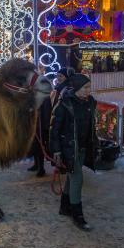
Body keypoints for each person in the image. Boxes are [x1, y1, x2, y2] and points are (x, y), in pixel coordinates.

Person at [50, 74, 98, 231]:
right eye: (85, 87)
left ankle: (65, 207)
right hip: (69, 149)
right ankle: (78, 216)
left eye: (89, 87)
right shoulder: (65, 104)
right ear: (77, 88)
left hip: (83, 147)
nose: (88, 90)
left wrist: (95, 143)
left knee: (72, 177)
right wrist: (56, 150)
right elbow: (54, 129)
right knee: (77, 178)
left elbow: (91, 126)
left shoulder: (90, 102)